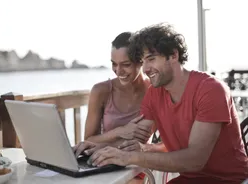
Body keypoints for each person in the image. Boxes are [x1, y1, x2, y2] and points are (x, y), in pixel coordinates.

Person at [74, 23, 248, 184]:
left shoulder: (211, 90)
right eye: (143, 61)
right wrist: (96, 147)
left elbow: (195, 161)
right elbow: (137, 138)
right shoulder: (155, 93)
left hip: (229, 180)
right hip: (190, 179)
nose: (146, 68)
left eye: (151, 59)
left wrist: (129, 158)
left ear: (173, 55)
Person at [83, 32, 152, 149]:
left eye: (126, 64)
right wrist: (120, 131)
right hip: (105, 162)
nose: (118, 71)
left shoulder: (153, 91)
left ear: (141, 61)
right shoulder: (101, 91)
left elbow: (141, 141)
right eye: (114, 64)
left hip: (140, 162)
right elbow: (89, 140)